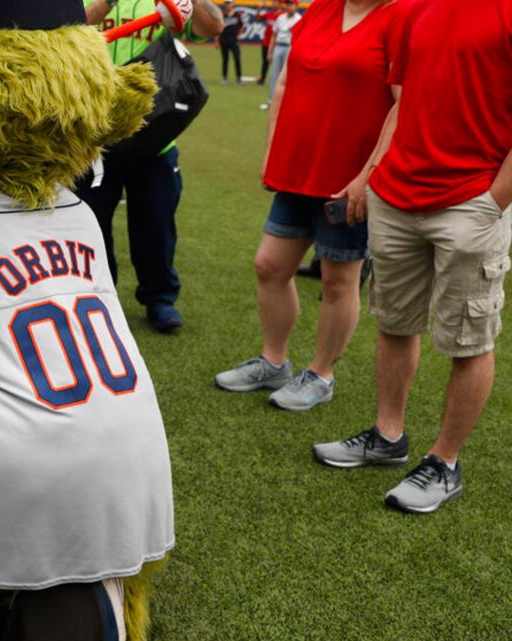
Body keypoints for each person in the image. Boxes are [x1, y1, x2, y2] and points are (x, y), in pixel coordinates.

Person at [313, 0, 512, 514]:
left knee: (468, 340)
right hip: (397, 195)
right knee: (395, 323)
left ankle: (444, 462)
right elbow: (404, 102)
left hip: (470, 201)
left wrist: (494, 202)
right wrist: (374, 176)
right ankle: (387, 436)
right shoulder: (410, 9)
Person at [214, 0, 406, 412]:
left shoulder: (397, 18)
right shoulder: (320, 10)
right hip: (298, 170)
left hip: (346, 180)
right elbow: (284, 83)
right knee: (270, 265)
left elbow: (401, 106)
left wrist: (367, 176)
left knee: (338, 281)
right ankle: (273, 361)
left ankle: (321, 374)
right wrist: (272, 150)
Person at [75, 0, 224, 333]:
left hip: (155, 135)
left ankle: (160, 298)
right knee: (91, 224)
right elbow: (72, 24)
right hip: (94, 135)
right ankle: (101, 296)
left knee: (156, 221)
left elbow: (212, 27)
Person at [262, 0, 300, 109]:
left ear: (296, 6)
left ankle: (286, 103)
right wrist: (270, 51)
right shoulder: (280, 18)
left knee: (289, 77)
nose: (289, 7)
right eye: (287, 4)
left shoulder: (299, 19)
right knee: (274, 75)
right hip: (278, 46)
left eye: (291, 4)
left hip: (290, 48)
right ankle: (271, 101)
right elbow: (274, 35)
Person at [217, 0, 245, 84]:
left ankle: (238, 78)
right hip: (224, 40)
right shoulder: (222, 15)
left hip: (234, 41)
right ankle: (224, 78)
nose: (228, 5)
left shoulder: (237, 15)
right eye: (226, 3)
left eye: (229, 3)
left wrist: (239, 35)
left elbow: (242, 26)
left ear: (233, 4)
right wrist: (217, 40)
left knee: (237, 58)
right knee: (225, 59)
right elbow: (218, 28)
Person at [256, 0, 279, 84]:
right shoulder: (269, 14)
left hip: (276, 43)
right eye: (273, 2)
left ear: (280, 4)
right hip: (266, 42)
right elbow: (258, 18)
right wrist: (259, 8)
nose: (274, 4)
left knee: (276, 63)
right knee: (265, 61)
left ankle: (276, 80)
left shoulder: (282, 15)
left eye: (276, 2)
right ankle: (262, 78)